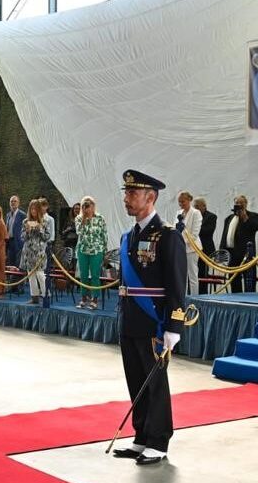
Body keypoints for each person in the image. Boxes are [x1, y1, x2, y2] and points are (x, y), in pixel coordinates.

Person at [111, 169, 187, 466]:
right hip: (130, 318)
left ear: (151, 197)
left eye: (133, 193)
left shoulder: (168, 236)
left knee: (154, 382)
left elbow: (178, 285)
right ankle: (142, 435)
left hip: (154, 320)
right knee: (136, 378)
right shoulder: (128, 236)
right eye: (126, 193)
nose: (126, 199)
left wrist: (174, 326)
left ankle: (158, 440)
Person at [219, 195, 258, 293]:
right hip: (232, 253)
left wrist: (245, 217)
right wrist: (222, 251)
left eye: (241, 203)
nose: (239, 205)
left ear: (246, 204)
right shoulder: (229, 218)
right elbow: (225, 235)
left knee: (249, 279)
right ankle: (236, 297)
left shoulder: (253, 216)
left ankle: (250, 299)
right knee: (234, 280)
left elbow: (255, 227)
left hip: (246, 254)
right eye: (237, 203)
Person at [74, 196, 107, 309]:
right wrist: (84, 218)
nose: (87, 208)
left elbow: (104, 235)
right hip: (83, 250)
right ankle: (83, 298)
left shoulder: (100, 218)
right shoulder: (78, 218)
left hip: (96, 250)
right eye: (84, 206)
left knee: (95, 275)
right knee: (83, 275)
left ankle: (95, 299)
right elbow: (79, 232)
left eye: (89, 205)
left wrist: (105, 252)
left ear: (93, 206)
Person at [20, 199, 50, 305]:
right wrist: (27, 231)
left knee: (40, 274)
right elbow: (22, 237)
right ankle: (34, 297)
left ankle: (46, 295)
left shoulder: (45, 222)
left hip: (40, 253)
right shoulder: (25, 222)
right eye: (31, 209)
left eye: (35, 209)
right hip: (28, 252)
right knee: (31, 275)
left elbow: (47, 237)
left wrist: (40, 229)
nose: (33, 211)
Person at [176, 191, 202, 295]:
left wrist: (182, 241)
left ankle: (195, 298)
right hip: (181, 248)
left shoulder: (196, 213)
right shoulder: (179, 213)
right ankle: (184, 297)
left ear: (189, 200)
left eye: (183, 201)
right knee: (182, 275)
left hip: (192, 248)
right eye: (179, 202)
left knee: (192, 275)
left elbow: (195, 234)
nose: (181, 204)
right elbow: (175, 229)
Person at [193, 198, 216, 293]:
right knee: (193, 273)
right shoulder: (192, 216)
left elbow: (208, 231)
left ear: (204, 206)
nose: (195, 209)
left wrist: (194, 229)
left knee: (203, 273)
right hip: (193, 249)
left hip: (205, 250)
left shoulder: (211, 217)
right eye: (194, 207)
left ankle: (203, 294)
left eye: (197, 206)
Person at [5, 195, 26, 268]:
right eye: (11, 201)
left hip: (18, 242)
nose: (13, 203)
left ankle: (17, 279)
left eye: (15, 201)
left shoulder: (22, 215)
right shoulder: (8, 215)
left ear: (18, 203)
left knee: (18, 263)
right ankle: (11, 279)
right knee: (10, 262)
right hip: (9, 242)